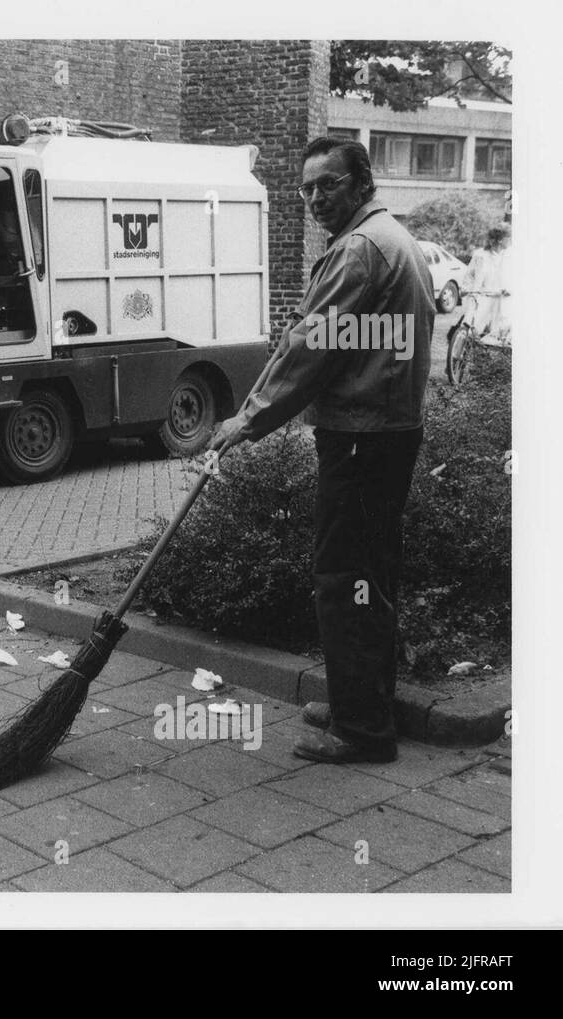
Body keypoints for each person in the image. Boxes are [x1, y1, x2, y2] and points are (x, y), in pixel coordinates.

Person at [208, 137, 434, 764]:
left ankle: (362, 730)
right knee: (370, 575)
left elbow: (310, 350)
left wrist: (245, 422)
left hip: (363, 438)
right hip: (388, 431)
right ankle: (361, 700)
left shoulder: (360, 250)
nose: (313, 198)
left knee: (348, 577)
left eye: (327, 185)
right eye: (306, 187)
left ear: (361, 183)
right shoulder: (389, 238)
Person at [461, 224, 512, 345]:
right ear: (500, 240)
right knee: (470, 330)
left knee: (498, 334)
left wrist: (509, 289)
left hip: (500, 299)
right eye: (508, 238)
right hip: (481, 297)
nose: (510, 241)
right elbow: (470, 275)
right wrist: (466, 289)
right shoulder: (480, 255)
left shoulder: (509, 256)